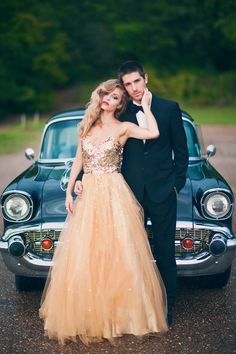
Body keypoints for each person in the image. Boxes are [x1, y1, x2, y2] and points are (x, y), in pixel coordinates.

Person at [39, 79, 168, 345]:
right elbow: (79, 159)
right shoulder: (85, 125)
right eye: (108, 94)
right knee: (88, 252)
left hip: (114, 191)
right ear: (101, 96)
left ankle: (122, 316)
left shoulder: (124, 128)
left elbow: (153, 133)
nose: (111, 98)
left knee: (119, 251)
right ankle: (88, 316)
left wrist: (145, 105)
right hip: (89, 192)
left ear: (121, 105)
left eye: (118, 97)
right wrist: (69, 189)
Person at [75, 62, 189, 327]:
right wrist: (81, 178)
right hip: (128, 193)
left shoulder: (169, 108)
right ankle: (129, 310)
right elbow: (95, 145)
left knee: (164, 251)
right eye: (128, 84)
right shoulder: (120, 110)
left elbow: (181, 151)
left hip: (163, 191)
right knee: (126, 253)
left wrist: (177, 184)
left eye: (137, 81)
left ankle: (167, 308)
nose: (134, 88)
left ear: (145, 79)